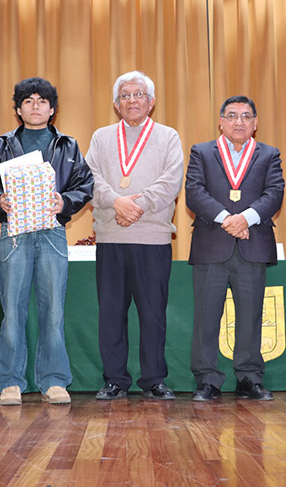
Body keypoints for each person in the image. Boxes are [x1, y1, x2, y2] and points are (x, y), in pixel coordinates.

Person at [0, 77, 93, 406]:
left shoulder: (68, 146)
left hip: (53, 231)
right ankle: (10, 381)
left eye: (42, 101)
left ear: (52, 109)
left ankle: (54, 380)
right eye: (28, 101)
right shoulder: (2, 144)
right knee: (12, 309)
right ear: (18, 109)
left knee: (53, 310)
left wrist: (64, 202)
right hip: (14, 232)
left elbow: (85, 183)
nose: (36, 105)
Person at [86, 71, 184, 400]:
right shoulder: (100, 138)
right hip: (111, 238)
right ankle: (115, 379)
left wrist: (134, 206)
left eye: (138, 94)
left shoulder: (169, 137)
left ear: (151, 102)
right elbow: (90, 179)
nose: (132, 101)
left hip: (152, 239)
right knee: (111, 314)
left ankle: (154, 379)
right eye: (125, 96)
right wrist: (116, 202)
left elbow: (171, 182)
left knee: (153, 315)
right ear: (116, 105)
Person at [185, 95, 285, 402]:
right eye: (232, 116)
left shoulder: (269, 154)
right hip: (211, 246)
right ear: (221, 121)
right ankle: (207, 380)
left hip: (252, 246)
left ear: (255, 123)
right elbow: (193, 192)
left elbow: (275, 193)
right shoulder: (202, 151)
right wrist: (228, 219)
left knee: (251, 315)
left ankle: (249, 378)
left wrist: (246, 219)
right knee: (205, 317)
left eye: (245, 116)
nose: (238, 122)